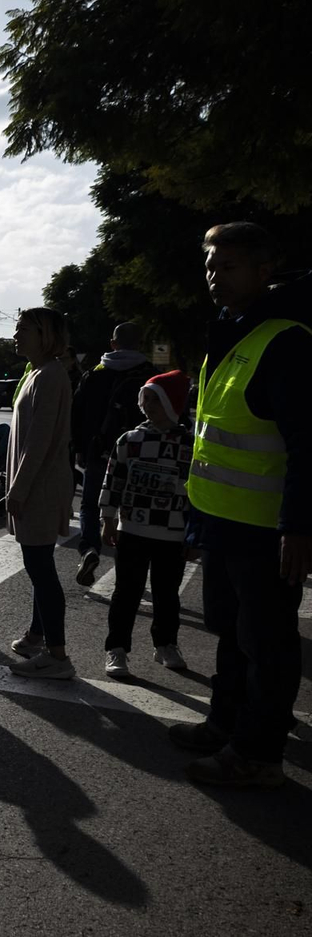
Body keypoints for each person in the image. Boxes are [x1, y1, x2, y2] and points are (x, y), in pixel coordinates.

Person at [174, 222, 310, 788]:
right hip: (222, 521)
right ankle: (224, 724)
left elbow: (309, 443)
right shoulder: (230, 332)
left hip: (265, 530)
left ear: (263, 270)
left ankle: (257, 754)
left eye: (228, 266)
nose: (215, 276)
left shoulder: (286, 341)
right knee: (229, 631)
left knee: (267, 643)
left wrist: (299, 528)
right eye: (210, 266)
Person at [100, 370, 193, 679]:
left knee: (167, 593)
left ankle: (166, 643)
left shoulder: (190, 445)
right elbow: (114, 479)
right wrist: (108, 518)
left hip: (173, 532)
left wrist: (194, 532)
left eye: (158, 399)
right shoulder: (130, 440)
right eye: (147, 399)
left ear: (174, 403)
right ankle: (117, 649)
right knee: (126, 592)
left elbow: (198, 491)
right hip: (133, 530)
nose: (149, 405)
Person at [5, 307, 77, 680]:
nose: (16, 335)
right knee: (39, 565)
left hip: (40, 488)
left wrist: (18, 488)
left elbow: (39, 441)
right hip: (37, 485)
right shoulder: (38, 373)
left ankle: (58, 655)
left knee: (40, 569)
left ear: (45, 334)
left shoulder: (49, 376)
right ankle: (37, 636)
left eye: (23, 329)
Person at [70, 322, 158, 586]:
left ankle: (90, 548)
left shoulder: (94, 374)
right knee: (129, 509)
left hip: (98, 451)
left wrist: (79, 448)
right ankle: (127, 566)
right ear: (141, 344)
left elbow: (77, 414)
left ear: (113, 344)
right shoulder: (150, 376)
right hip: (139, 452)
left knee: (90, 504)